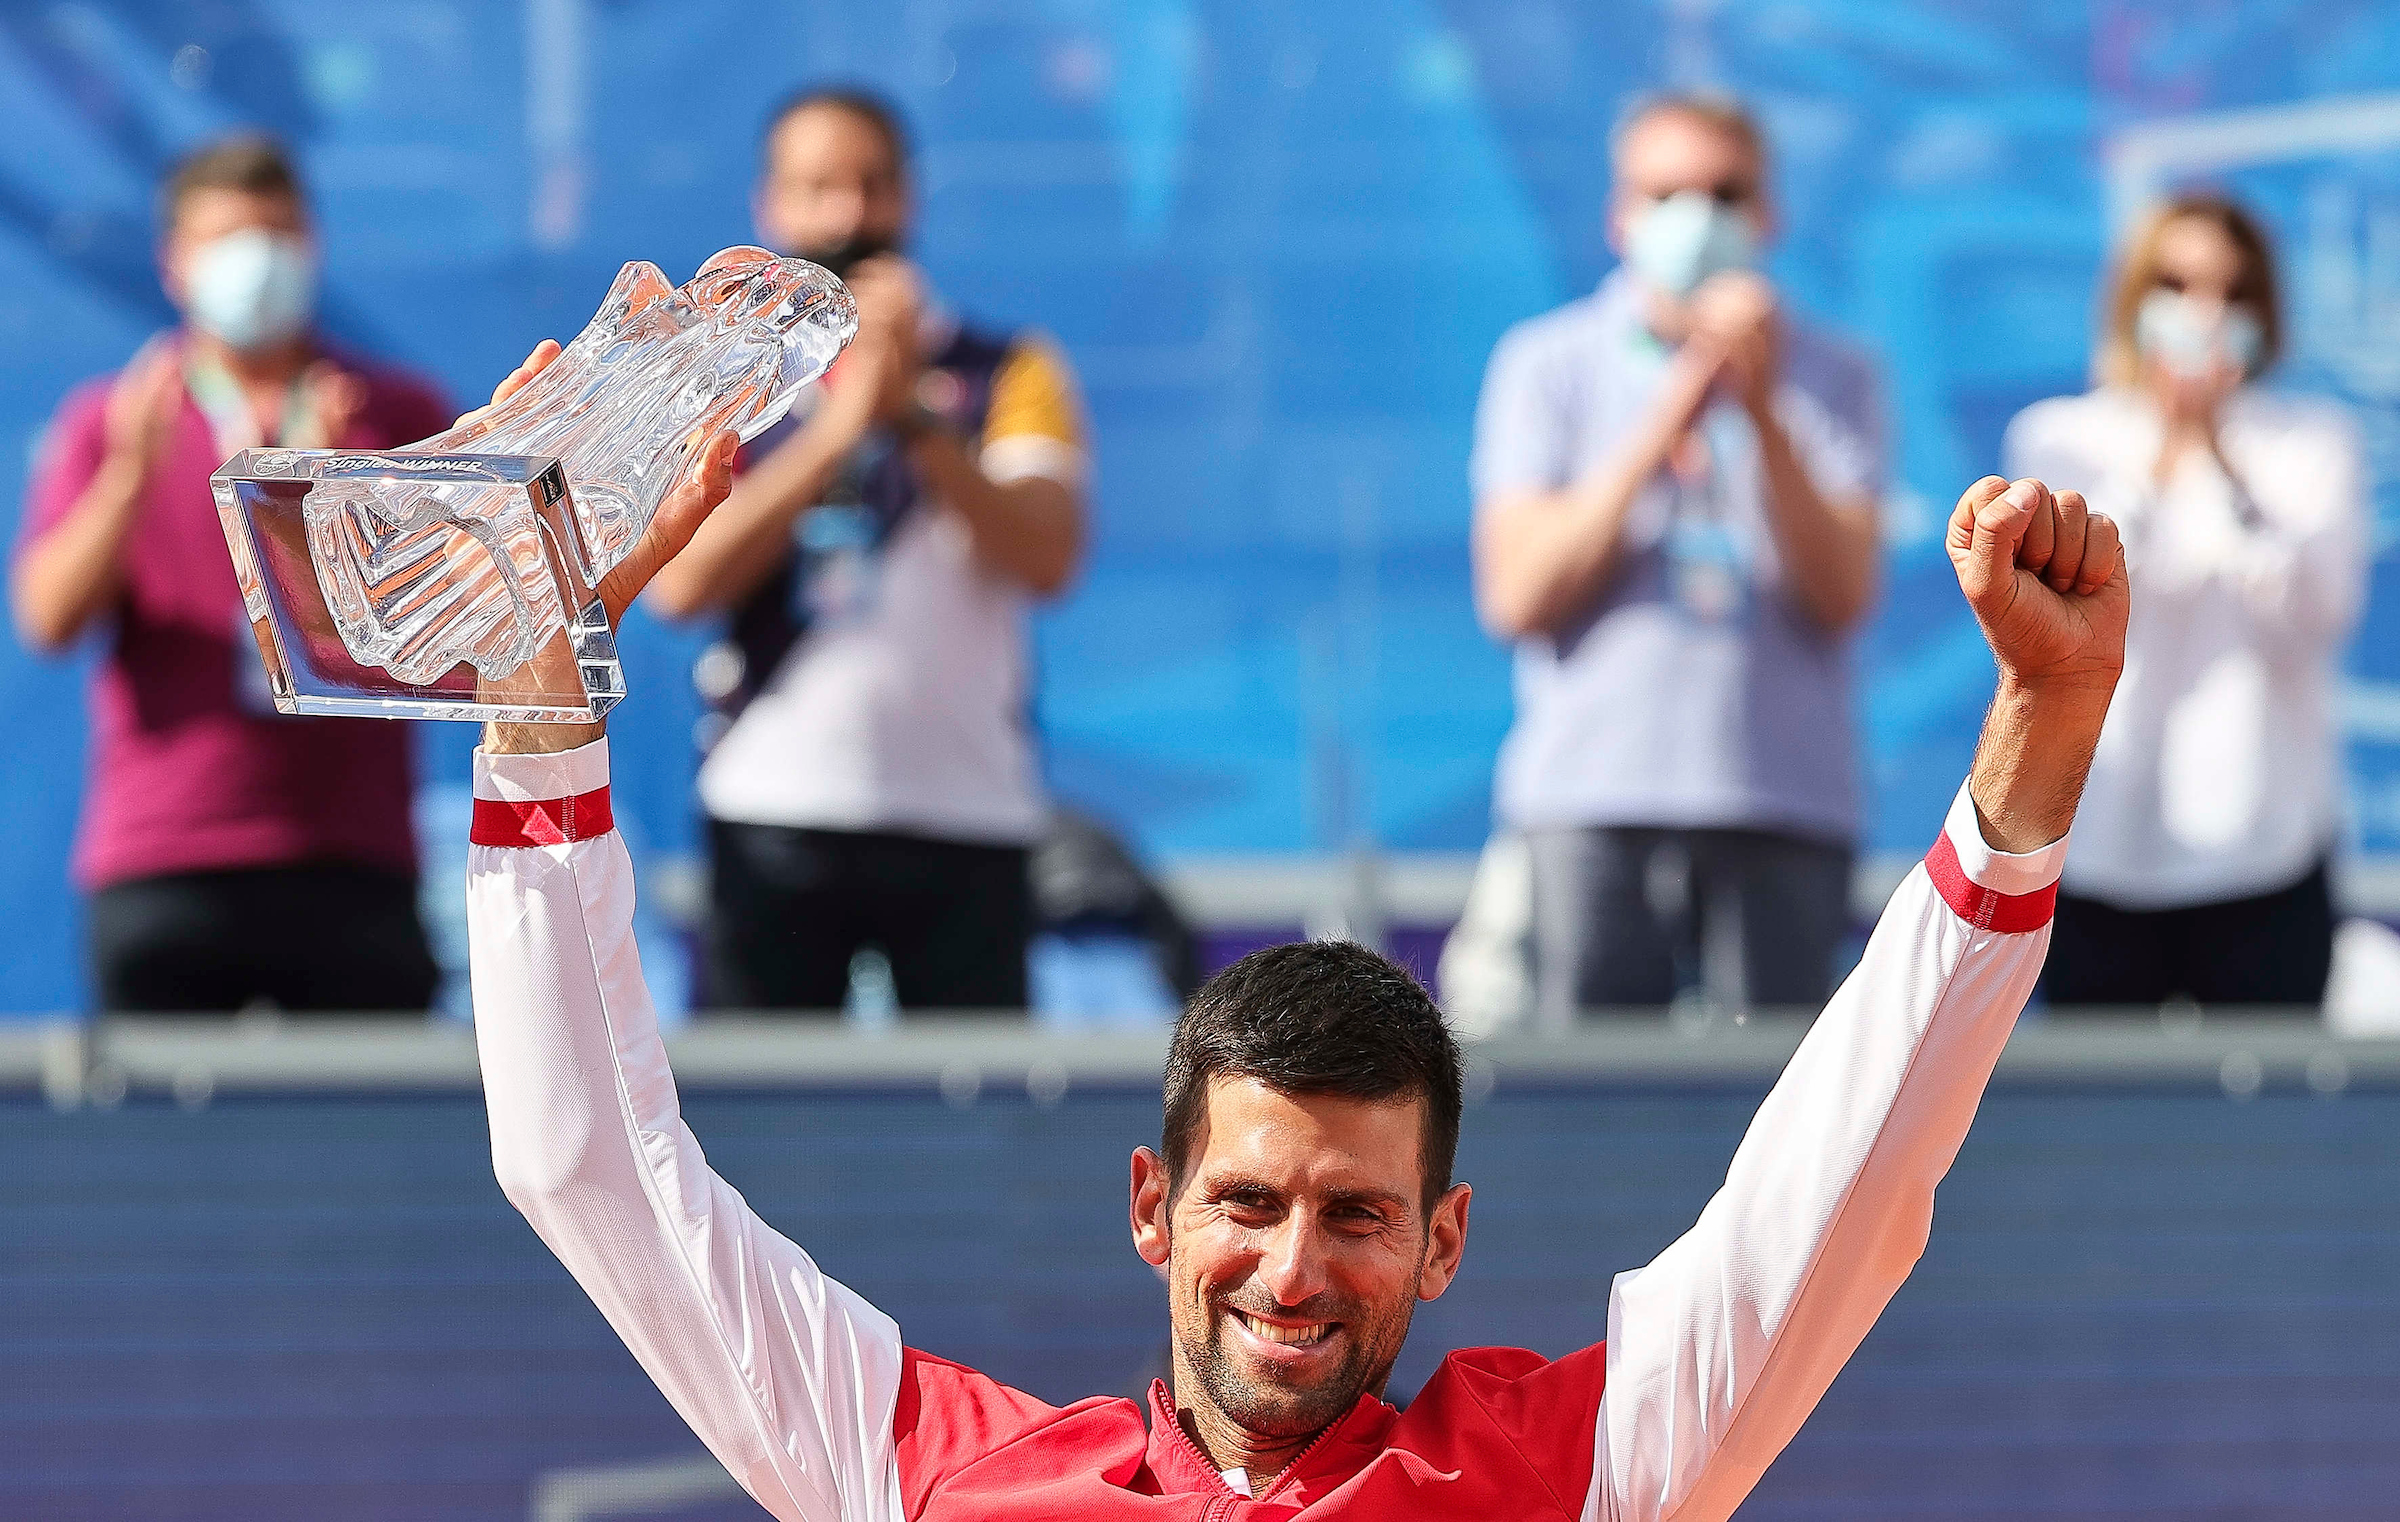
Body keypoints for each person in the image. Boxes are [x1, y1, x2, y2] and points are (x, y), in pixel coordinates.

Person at [463, 329, 2128, 1521]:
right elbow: (584, 1166)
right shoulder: (937, 1479)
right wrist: (542, 704)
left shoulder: (1573, 1475)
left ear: (1446, 1239)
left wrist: (2035, 749)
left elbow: (1840, 1191)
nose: (1292, 1266)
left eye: (1357, 1213)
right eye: (1248, 1200)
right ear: (1152, 1204)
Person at [644, 87, 1088, 1014]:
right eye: (818, 189)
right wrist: (839, 431)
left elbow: (1046, 555)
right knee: (758, 1136)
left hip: (967, 816)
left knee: (975, 1135)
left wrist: (917, 422)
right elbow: (678, 584)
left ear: (910, 198)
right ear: (773, 207)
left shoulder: (1007, 370)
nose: (848, 216)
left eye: (873, 186)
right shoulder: (727, 382)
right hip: (773, 811)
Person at [1470, 93, 1884, 1024]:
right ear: (1620, 216)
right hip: (1593, 802)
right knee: (1601, 1125)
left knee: (1780, 1130)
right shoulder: (1548, 364)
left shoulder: (1837, 373)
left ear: (1767, 213)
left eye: (1723, 192)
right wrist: (1672, 412)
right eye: (1666, 194)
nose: (1696, 220)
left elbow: (1842, 593)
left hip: (1783, 803)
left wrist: (1764, 409)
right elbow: (1518, 593)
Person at [10, 135, 448, 1014]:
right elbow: (48, 621)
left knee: (364, 1145)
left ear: (313, 246)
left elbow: (432, 638)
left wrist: (330, 503)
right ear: (174, 265)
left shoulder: (395, 416)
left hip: (350, 856)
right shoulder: (111, 422)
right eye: (226, 241)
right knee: (158, 1151)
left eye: (277, 235)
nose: (258, 264)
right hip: (167, 853)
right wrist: (129, 478)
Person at [2005, 193, 2365, 1009]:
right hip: (2095, 848)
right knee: (2102, 1131)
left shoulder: (2309, 443)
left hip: (2265, 847)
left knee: (2269, 1131)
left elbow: (2318, 615)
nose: (2202, 314)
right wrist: (2166, 446)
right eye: (2175, 285)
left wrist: (2219, 452)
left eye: (2230, 292)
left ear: (2262, 312)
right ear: (2134, 302)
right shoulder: (2062, 439)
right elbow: (2070, 598)